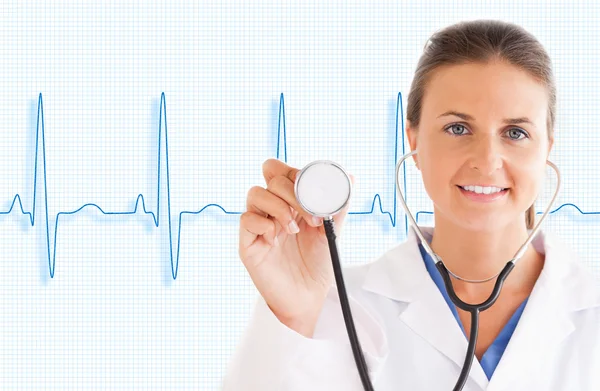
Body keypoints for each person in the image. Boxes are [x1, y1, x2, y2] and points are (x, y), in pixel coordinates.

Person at [222, 19, 600, 391]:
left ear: (547, 148)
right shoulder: (335, 307)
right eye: (457, 128)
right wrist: (293, 316)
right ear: (413, 141)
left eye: (515, 133)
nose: (487, 160)